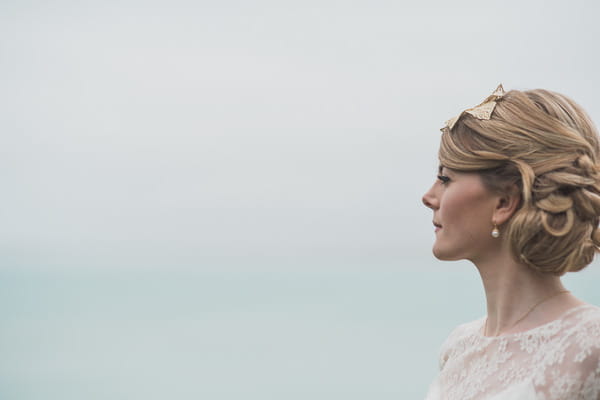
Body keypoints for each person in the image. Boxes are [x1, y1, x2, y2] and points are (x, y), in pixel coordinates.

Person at [421, 84, 600, 400]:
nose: (429, 197)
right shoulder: (457, 346)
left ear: (504, 202)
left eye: (446, 179)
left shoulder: (590, 346)